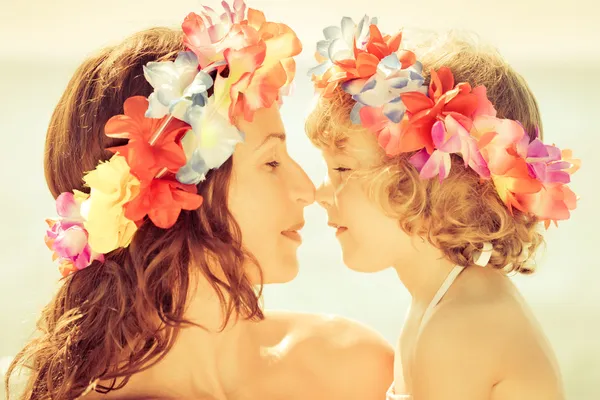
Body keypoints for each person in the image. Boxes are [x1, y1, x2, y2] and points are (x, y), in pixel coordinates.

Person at [5, 4, 393, 399]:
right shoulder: (345, 366)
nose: (307, 191)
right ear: (173, 188)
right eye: (271, 162)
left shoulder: (354, 365)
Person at [307, 15, 580, 400]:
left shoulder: (458, 327)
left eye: (342, 168)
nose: (320, 192)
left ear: (431, 181)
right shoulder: (443, 304)